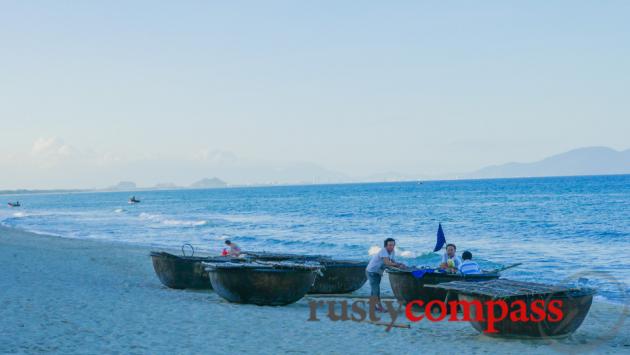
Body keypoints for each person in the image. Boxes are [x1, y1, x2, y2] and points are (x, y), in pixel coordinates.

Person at [366, 238, 407, 312]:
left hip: (378, 272)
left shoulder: (392, 251)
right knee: (376, 290)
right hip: (372, 272)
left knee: (374, 290)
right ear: (386, 246)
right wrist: (398, 265)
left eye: (393, 245)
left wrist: (400, 265)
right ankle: (380, 307)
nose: (392, 247)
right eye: (390, 245)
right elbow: (387, 263)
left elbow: (393, 262)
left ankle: (372, 306)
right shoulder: (383, 251)